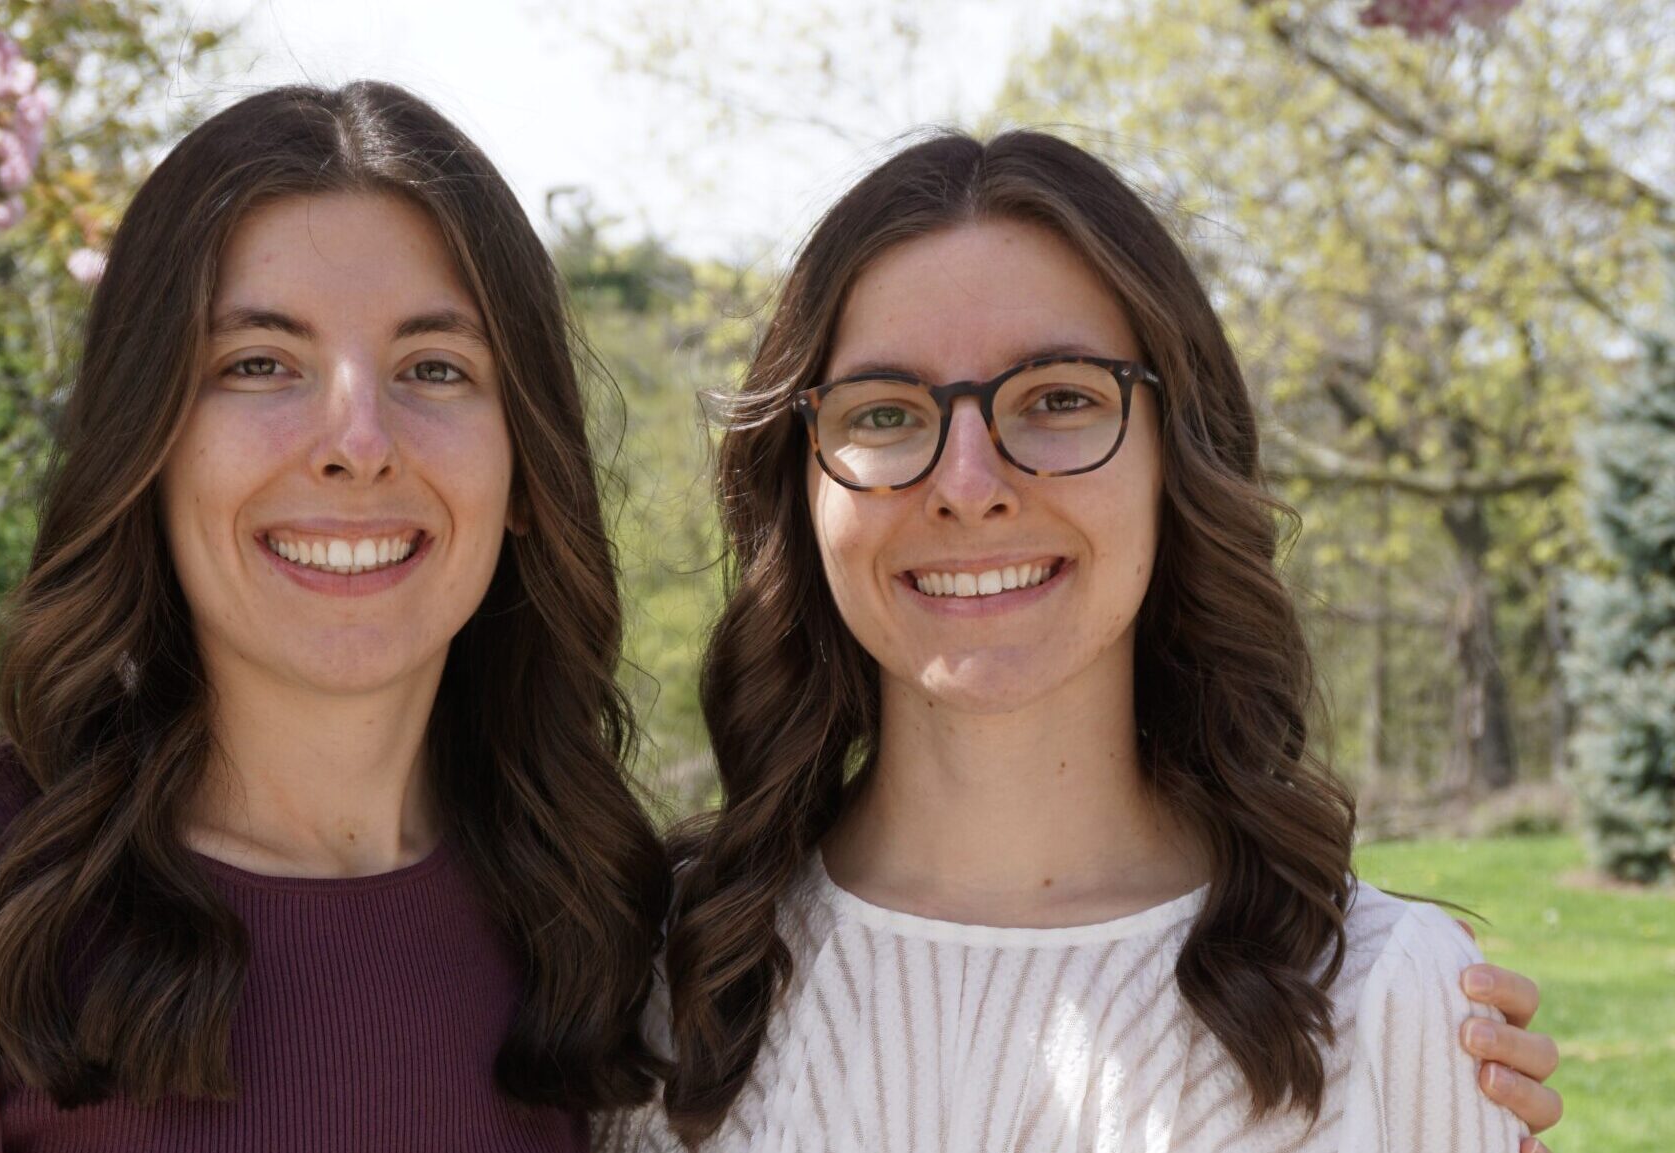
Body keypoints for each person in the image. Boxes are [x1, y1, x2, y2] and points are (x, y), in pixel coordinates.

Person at [0, 82, 669, 1152]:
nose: (357, 440)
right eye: (259, 363)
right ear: (149, 448)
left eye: (434, 368)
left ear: (525, 476)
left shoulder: (601, 924)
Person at [630, 129, 1564, 1151]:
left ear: (1176, 456)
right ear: (800, 484)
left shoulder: (1385, 998)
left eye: (1059, 399)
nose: (968, 486)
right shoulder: (659, 979)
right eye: (887, 412)